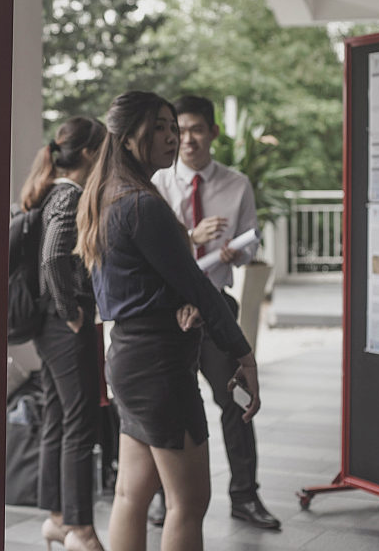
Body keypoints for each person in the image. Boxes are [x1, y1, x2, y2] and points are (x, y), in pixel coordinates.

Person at [75, 91, 260, 551]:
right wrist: (243, 354)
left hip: (129, 359)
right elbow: (197, 284)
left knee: (131, 494)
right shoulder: (142, 203)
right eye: (159, 127)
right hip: (159, 366)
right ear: (127, 135)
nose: (172, 137)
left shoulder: (106, 194)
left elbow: (133, 283)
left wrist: (173, 300)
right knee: (188, 502)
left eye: (172, 126)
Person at [150, 94, 280, 529]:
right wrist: (192, 236)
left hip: (215, 304)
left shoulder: (237, 184)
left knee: (236, 398)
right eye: (179, 130)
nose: (187, 139)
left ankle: (245, 496)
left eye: (196, 130)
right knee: (167, 404)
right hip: (170, 311)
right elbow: (152, 251)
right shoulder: (158, 183)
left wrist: (235, 252)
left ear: (213, 133)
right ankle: (161, 496)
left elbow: (250, 245)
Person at [19, 115, 107, 551]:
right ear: (89, 153)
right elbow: (54, 256)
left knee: (58, 415)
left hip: (46, 326)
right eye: (104, 149)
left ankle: (57, 518)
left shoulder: (51, 191)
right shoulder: (70, 196)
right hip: (64, 325)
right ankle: (80, 529)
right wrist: (71, 311)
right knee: (80, 421)